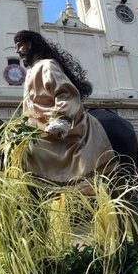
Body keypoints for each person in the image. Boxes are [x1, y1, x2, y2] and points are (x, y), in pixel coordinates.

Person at [13, 30, 116, 185]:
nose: (17, 50)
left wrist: (62, 118)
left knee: (32, 153)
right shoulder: (30, 72)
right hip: (37, 125)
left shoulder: (47, 65)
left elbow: (66, 93)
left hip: (57, 123)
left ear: (30, 44)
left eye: (20, 46)